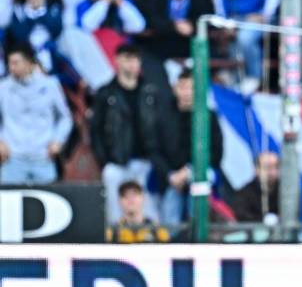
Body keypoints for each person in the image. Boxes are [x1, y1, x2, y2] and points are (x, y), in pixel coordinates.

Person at [90, 43, 163, 223]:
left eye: (135, 59)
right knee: (115, 213)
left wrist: (155, 156)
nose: (132, 64)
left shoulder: (150, 92)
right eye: (127, 59)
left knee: (148, 213)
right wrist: (104, 160)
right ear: (117, 61)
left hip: (145, 161)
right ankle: (116, 246)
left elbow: (160, 126)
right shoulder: (106, 93)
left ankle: (149, 246)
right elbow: (95, 130)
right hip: (116, 162)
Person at [155, 68, 223, 226]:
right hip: (171, 175)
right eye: (183, 87)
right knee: (170, 199)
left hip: (200, 171)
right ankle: (170, 237)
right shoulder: (163, 116)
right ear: (175, 89)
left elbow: (217, 152)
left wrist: (189, 171)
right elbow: (155, 150)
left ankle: (198, 231)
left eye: (191, 88)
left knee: (199, 182)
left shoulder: (209, 116)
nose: (187, 93)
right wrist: (170, 175)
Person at [0, 45, 72, 184]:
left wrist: (58, 140)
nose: (11, 67)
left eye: (16, 63)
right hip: (13, 159)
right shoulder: (3, 87)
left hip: (43, 157)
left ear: (29, 63)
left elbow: (65, 117)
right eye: (9, 63)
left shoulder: (50, 85)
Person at [6, 0, 63, 73]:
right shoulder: (18, 12)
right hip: (28, 56)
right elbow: (19, 36)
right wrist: (31, 12)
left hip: (51, 55)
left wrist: (40, 9)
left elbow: (57, 30)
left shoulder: (53, 9)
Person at [106, 180, 170, 243]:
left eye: (134, 194)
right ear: (119, 201)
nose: (130, 199)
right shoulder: (112, 233)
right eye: (125, 195)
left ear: (143, 198)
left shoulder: (157, 230)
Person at [233, 152, 279, 223]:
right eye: (267, 167)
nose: (272, 172)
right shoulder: (245, 193)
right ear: (257, 169)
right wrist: (262, 220)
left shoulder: (284, 193)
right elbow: (241, 215)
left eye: (275, 167)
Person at [76, 0, 145, 35]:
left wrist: (120, 2)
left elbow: (138, 26)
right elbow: (87, 25)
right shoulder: (84, 4)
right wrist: (105, 1)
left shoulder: (123, 3)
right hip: (94, 46)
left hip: (119, 46)